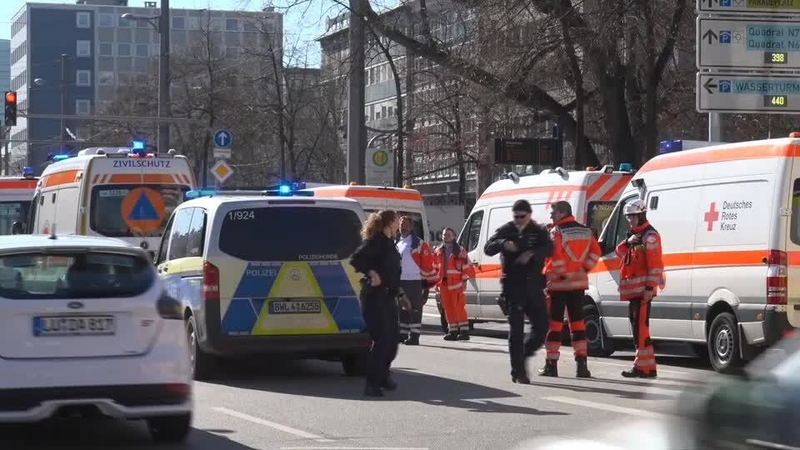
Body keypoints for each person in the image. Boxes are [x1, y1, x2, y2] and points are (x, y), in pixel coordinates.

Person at [484, 199, 553, 384]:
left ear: (529, 214)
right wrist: (503, 243)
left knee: (542, 327)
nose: (518, 220)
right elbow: (488, 247)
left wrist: (531, 253)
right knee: (516, 330)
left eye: (522, 216)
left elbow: (550, 248)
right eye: (515, 216)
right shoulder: (507, 229)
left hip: (534, 286)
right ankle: (518, 371)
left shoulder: (538, 231)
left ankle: (524, 354)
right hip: (513, 288)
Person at [350, 210, 413, 397]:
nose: (398, 226)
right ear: (391, 222)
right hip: (374, 298)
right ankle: (372, 383)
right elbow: (356, 260)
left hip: (388, 297)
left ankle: (383, 374)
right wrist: (372, 273)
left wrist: (401, 294)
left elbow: (392, 274)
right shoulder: (376, 241)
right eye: (396, 221)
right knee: (382, 341)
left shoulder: (390, 244)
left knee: (393, 341)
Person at [539, 201, 602, 378]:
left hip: (559, 285)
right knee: (578, 325)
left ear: (563, 212)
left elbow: (555, 256)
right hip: (578, 285)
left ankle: (551, 365)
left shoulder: (556, 232)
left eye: (554, 212)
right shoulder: (586, 231)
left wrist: (562, 273)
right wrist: (583, 269)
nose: (551, 215)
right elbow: (596, 252)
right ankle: (582, 366)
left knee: (555, 325)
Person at [615, 199, 664, 379]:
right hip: (635, 292)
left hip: (643, 292)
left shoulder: (649, 236)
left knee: (640, 329)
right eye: (628, 217)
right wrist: (628, 241)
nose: (630, 220)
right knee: (639, 327)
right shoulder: (636, 236)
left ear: (641, 215)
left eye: (633, 217)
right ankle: (649, 368)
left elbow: (655, 265)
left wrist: (649, 288)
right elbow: (619, 252)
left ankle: (639, 367)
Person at [396, 215, 436, 346]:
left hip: (415, 281)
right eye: (401, 224)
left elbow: (428, 264)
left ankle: (414, 336)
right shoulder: (398, 243)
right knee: (403, 309)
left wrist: (425, 284)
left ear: (411, 227)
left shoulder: (418, 243)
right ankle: (402, 333)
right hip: (402, 281)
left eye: (406, 224)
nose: (403, 227)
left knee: (415, 309)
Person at [434, 227, 475, 341]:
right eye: (444, 235)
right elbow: (436, 268)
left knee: (459, 307)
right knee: (447, 308)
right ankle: (452, 331)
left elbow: (467, 267)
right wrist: (436, 283)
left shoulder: (460, 251)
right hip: (443, 284)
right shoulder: (439, 251)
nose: (446, 236)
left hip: (456, 284)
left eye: (448, 234)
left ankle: (464, 331)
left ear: (454, 236)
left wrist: (464, 281)